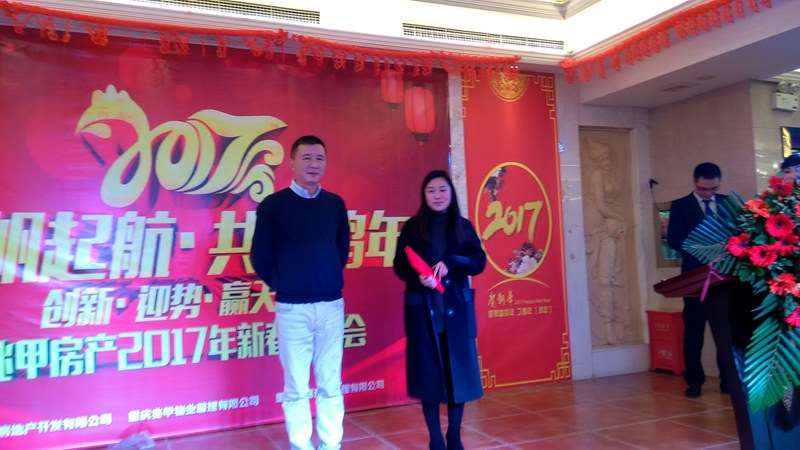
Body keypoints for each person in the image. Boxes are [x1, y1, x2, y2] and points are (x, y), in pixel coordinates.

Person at [251, 135, 350, 450]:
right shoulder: (273, 206)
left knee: (330, 381)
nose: (313, 164)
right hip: (293, 308)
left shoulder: (335, 204)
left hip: (331, 304)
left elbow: (341, 249)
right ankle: (301, 444)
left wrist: (326, 276)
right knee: (296, 383)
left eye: (319, 158)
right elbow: (260, 256)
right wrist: (285, 283)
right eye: (306, 158)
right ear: (292, 162)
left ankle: (331, 444)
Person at [392, 170, 486, 450]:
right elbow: (399, 265)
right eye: (431, 190)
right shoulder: (412, 227)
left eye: (442, 190)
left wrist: (453, 262)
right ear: (424, 195)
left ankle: (454, 435)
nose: (437, 195)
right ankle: (435, 438)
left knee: (458, 376)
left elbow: (478, 262)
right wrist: (417, 277)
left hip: (455, 309)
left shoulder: (463, 227)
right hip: (423, 310)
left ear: (451, 193)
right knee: (429, 377)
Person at [667, 162, 728, 398]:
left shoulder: (727, 203)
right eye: (704, 189)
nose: (709, 194)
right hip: (695, 279)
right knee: (694, 332)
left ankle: (728, 380)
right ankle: (694, 381)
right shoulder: (680, 206)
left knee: (725, 333)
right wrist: (705, 250)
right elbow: (674, 240)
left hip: (724, 279)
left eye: (713, 189)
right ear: (695, 182)